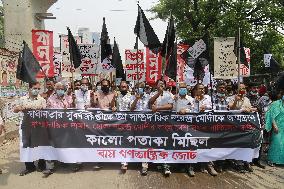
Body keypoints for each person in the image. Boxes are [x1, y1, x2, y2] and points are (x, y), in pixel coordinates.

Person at [14, 81, 47, 176]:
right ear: (29, 88)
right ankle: (29, 167)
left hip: (39, 125)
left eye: (38, 89)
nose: (36, 90)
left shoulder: (42, 99)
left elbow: (45, 112)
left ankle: (41, 164)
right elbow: (15, 110)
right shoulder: (22, 99)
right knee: (26, 145)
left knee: (40, 144)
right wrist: (21, 108)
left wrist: (40, 108)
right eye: (34, 88)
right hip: (26, 125)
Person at [41, 82, 73, 177]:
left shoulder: (69, 98)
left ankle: (63, 161)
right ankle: (49, 167)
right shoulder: (51, 98)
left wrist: (65, 104)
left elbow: (71, 110)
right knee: (50, 145)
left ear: (64, 89)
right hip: (53, 126)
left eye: (61, 88)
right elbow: (46, 111)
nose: (60, 90)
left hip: (65, 126)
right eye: (58, 88)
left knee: (63, 144)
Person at [228, 83, 256, 173]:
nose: (243, 90)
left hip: (245, 126)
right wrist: (236, 101)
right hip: (234, 126)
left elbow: (250, 108)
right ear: (236, 90)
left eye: (244, 88)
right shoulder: (231, 98)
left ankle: (246, 162)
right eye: (241, 88)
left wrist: (250, 109)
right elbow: (230, 109)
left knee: (246, 143)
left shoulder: (247, 99)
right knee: (237, 143)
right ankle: (238, 163)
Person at [149, 79, 174, 176]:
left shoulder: (169, 94)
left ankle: (166, 164)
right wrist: (158, 93)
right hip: (155, 123)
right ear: (156, 86)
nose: (161, 85)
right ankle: (157, 162)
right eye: (159, 84)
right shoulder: (153, 93)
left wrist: (158, 108)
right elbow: (151, 103)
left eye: (163, 84)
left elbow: (170, 106)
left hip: (166, 123)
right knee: (156, 142)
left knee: (166, 143)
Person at [192, 83, 217, 176]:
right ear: (195, 90)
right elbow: (190, 110)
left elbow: (213, 108)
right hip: (195, 127)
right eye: (200, 89)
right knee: (195, 145)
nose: (202, 90)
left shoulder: (208, 98)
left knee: (208, 145)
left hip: (207, 127)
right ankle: (196, 165)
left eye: (203, 89)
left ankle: (209, 165)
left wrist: (205, 107)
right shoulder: (192, 99)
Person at [130, 82, 151, 176]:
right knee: (134, 142)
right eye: (138, 87)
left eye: (142, 87)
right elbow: (131, 109)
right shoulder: (132, 97)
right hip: (135, 124)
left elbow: (151, 107)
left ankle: (144, 165)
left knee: (144, 143)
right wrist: (136, 99)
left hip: (146, 125)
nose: (140, 89)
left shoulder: (148, 97)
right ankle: (131, 160)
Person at [174, 82, 195, 177]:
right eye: (181, 88)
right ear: (178, 89)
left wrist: (186, 111)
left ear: (187, 89)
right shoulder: (175, 98)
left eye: (184, 88)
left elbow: (194, 110)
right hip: (176, 126)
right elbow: (171, 110)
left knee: (189, 145)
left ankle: (190, 166)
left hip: (188, 126)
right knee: (178, 144)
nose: (183, 89)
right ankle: (180, 164)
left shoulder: (190, 99)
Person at [111, 81, 132, 172]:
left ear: (127, 88)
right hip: (118, 121)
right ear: (119, 87)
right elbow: (112, 106)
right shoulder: (117, 95)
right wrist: (113, 104)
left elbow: (132, 108)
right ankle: (121, 160)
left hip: (128, 121)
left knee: (127, 140)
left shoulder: (131, 96)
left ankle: (127, 160)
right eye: (121, 87)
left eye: (125, 87)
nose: (123, 88)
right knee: (120, 140)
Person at [265, 74, 284, 166]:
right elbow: (270, 115)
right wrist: (274, 125)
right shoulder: (276, 103)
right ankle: (271, 159)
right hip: (278, 126)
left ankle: (281, 160)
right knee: (276, 143)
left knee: (283, 144)